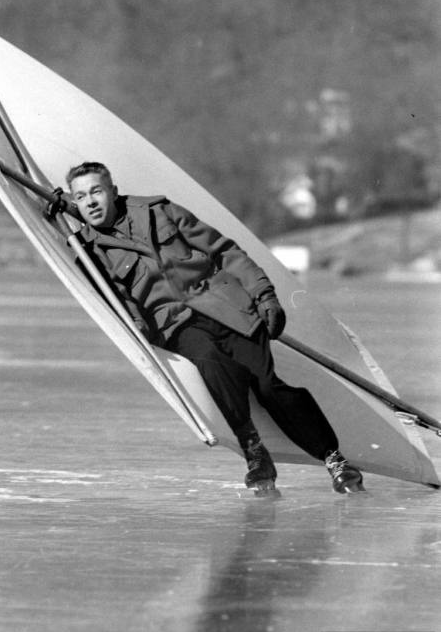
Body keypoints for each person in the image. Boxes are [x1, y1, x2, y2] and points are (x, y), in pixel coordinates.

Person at [62, 161, 364, 493]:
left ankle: (334, 459)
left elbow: (224, 250)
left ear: (113, 191)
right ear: (73, 202)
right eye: (80, 197)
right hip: (175, 323)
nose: (90, 202)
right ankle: (254, 452)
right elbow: (120, 299)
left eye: (96, 191)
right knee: (210, 360)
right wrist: (136, 326)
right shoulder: (88, 250)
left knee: (267, 387)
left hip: (227, 307)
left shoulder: (159, 211)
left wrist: (264, 294)